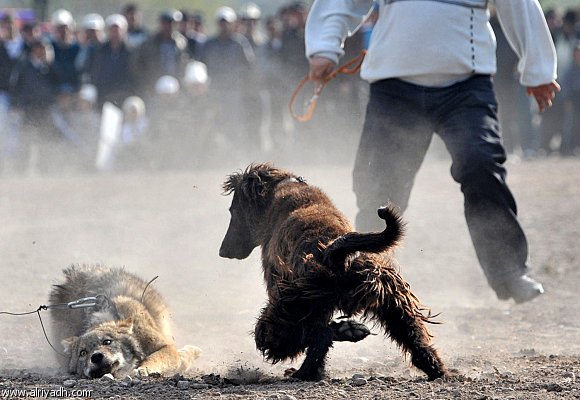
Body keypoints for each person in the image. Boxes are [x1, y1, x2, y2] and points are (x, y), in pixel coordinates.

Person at [305, 0, 560, 303]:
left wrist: (539, 69)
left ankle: (509, 273)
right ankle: (369, 278)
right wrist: (324, 46)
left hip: (466, 86)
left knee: (481, 165)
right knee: (378, 187)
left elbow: (518, 5)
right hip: (393, 87)